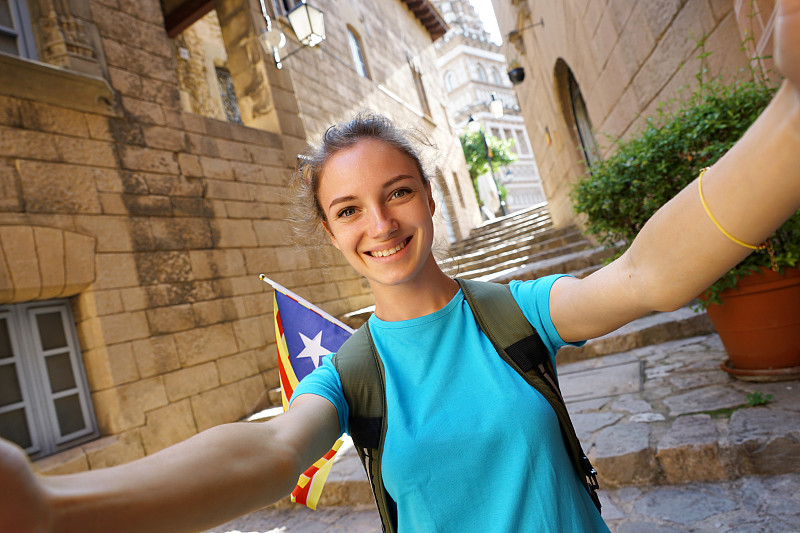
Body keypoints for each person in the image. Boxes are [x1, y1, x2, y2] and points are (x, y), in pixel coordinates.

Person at [2, 0, 800, 530]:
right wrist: (50, 504)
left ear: (428, 196)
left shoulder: (511, 314)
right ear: (328, 230)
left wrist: (793, 117)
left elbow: (646, 276)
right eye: (349, 209)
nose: (380, 224)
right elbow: (269, 453)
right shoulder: (352, 376)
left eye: (397, 193)